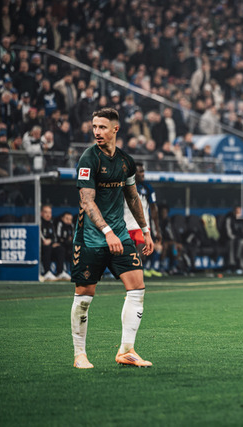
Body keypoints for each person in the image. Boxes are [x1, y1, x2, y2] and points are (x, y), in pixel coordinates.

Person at [70, 108, 154, 369]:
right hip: (90, 239)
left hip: (119, 235)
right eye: (94, 126)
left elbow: (132, 196)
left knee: (137, 288)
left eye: (102, 127)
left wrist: (145, 230)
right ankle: (80, 355)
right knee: (84, 297)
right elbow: (87, 201)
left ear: (115, 129)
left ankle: (126, 351)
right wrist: (107, 232)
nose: (97, 131)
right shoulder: (88, 159)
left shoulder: (126, 161)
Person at [123, 162, 162, 278]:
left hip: (141, 226)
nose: (143, 174)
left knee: (141, 252)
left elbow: (154, 209)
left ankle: (135, 274)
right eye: (140, 171)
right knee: (125, 253)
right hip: (125, 225)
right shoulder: (123, 186)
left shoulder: (147, 188)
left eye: (143, 171)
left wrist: (157, 230)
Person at [40, 204, 68, 281]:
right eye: (46, 212)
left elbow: (54, 237)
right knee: (47, 248)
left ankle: (60, 272)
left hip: (50, 245)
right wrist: (45, 242)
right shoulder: (38, 223)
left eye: (50, 212)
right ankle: (47, 272)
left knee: (60, 249)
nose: (48, 215)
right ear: (41, 213)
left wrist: (51, 241)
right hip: (41, 247)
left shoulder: (51, 223)